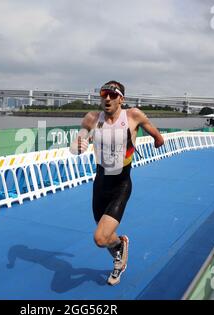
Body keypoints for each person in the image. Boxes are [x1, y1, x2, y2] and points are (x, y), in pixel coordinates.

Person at [70, 80, 164, 285]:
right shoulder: (92, 118)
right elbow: (75, 147)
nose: (108, 98)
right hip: (100, 184)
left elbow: (157, 135)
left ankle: (119, 250)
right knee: (106, 236)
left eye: (113, 95)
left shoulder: (133, 115)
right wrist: (77, 145)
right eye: (104, 94)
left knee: (100, 239)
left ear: (121, 98)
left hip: (121, 185)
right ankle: (120, 248)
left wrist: (157, 139)